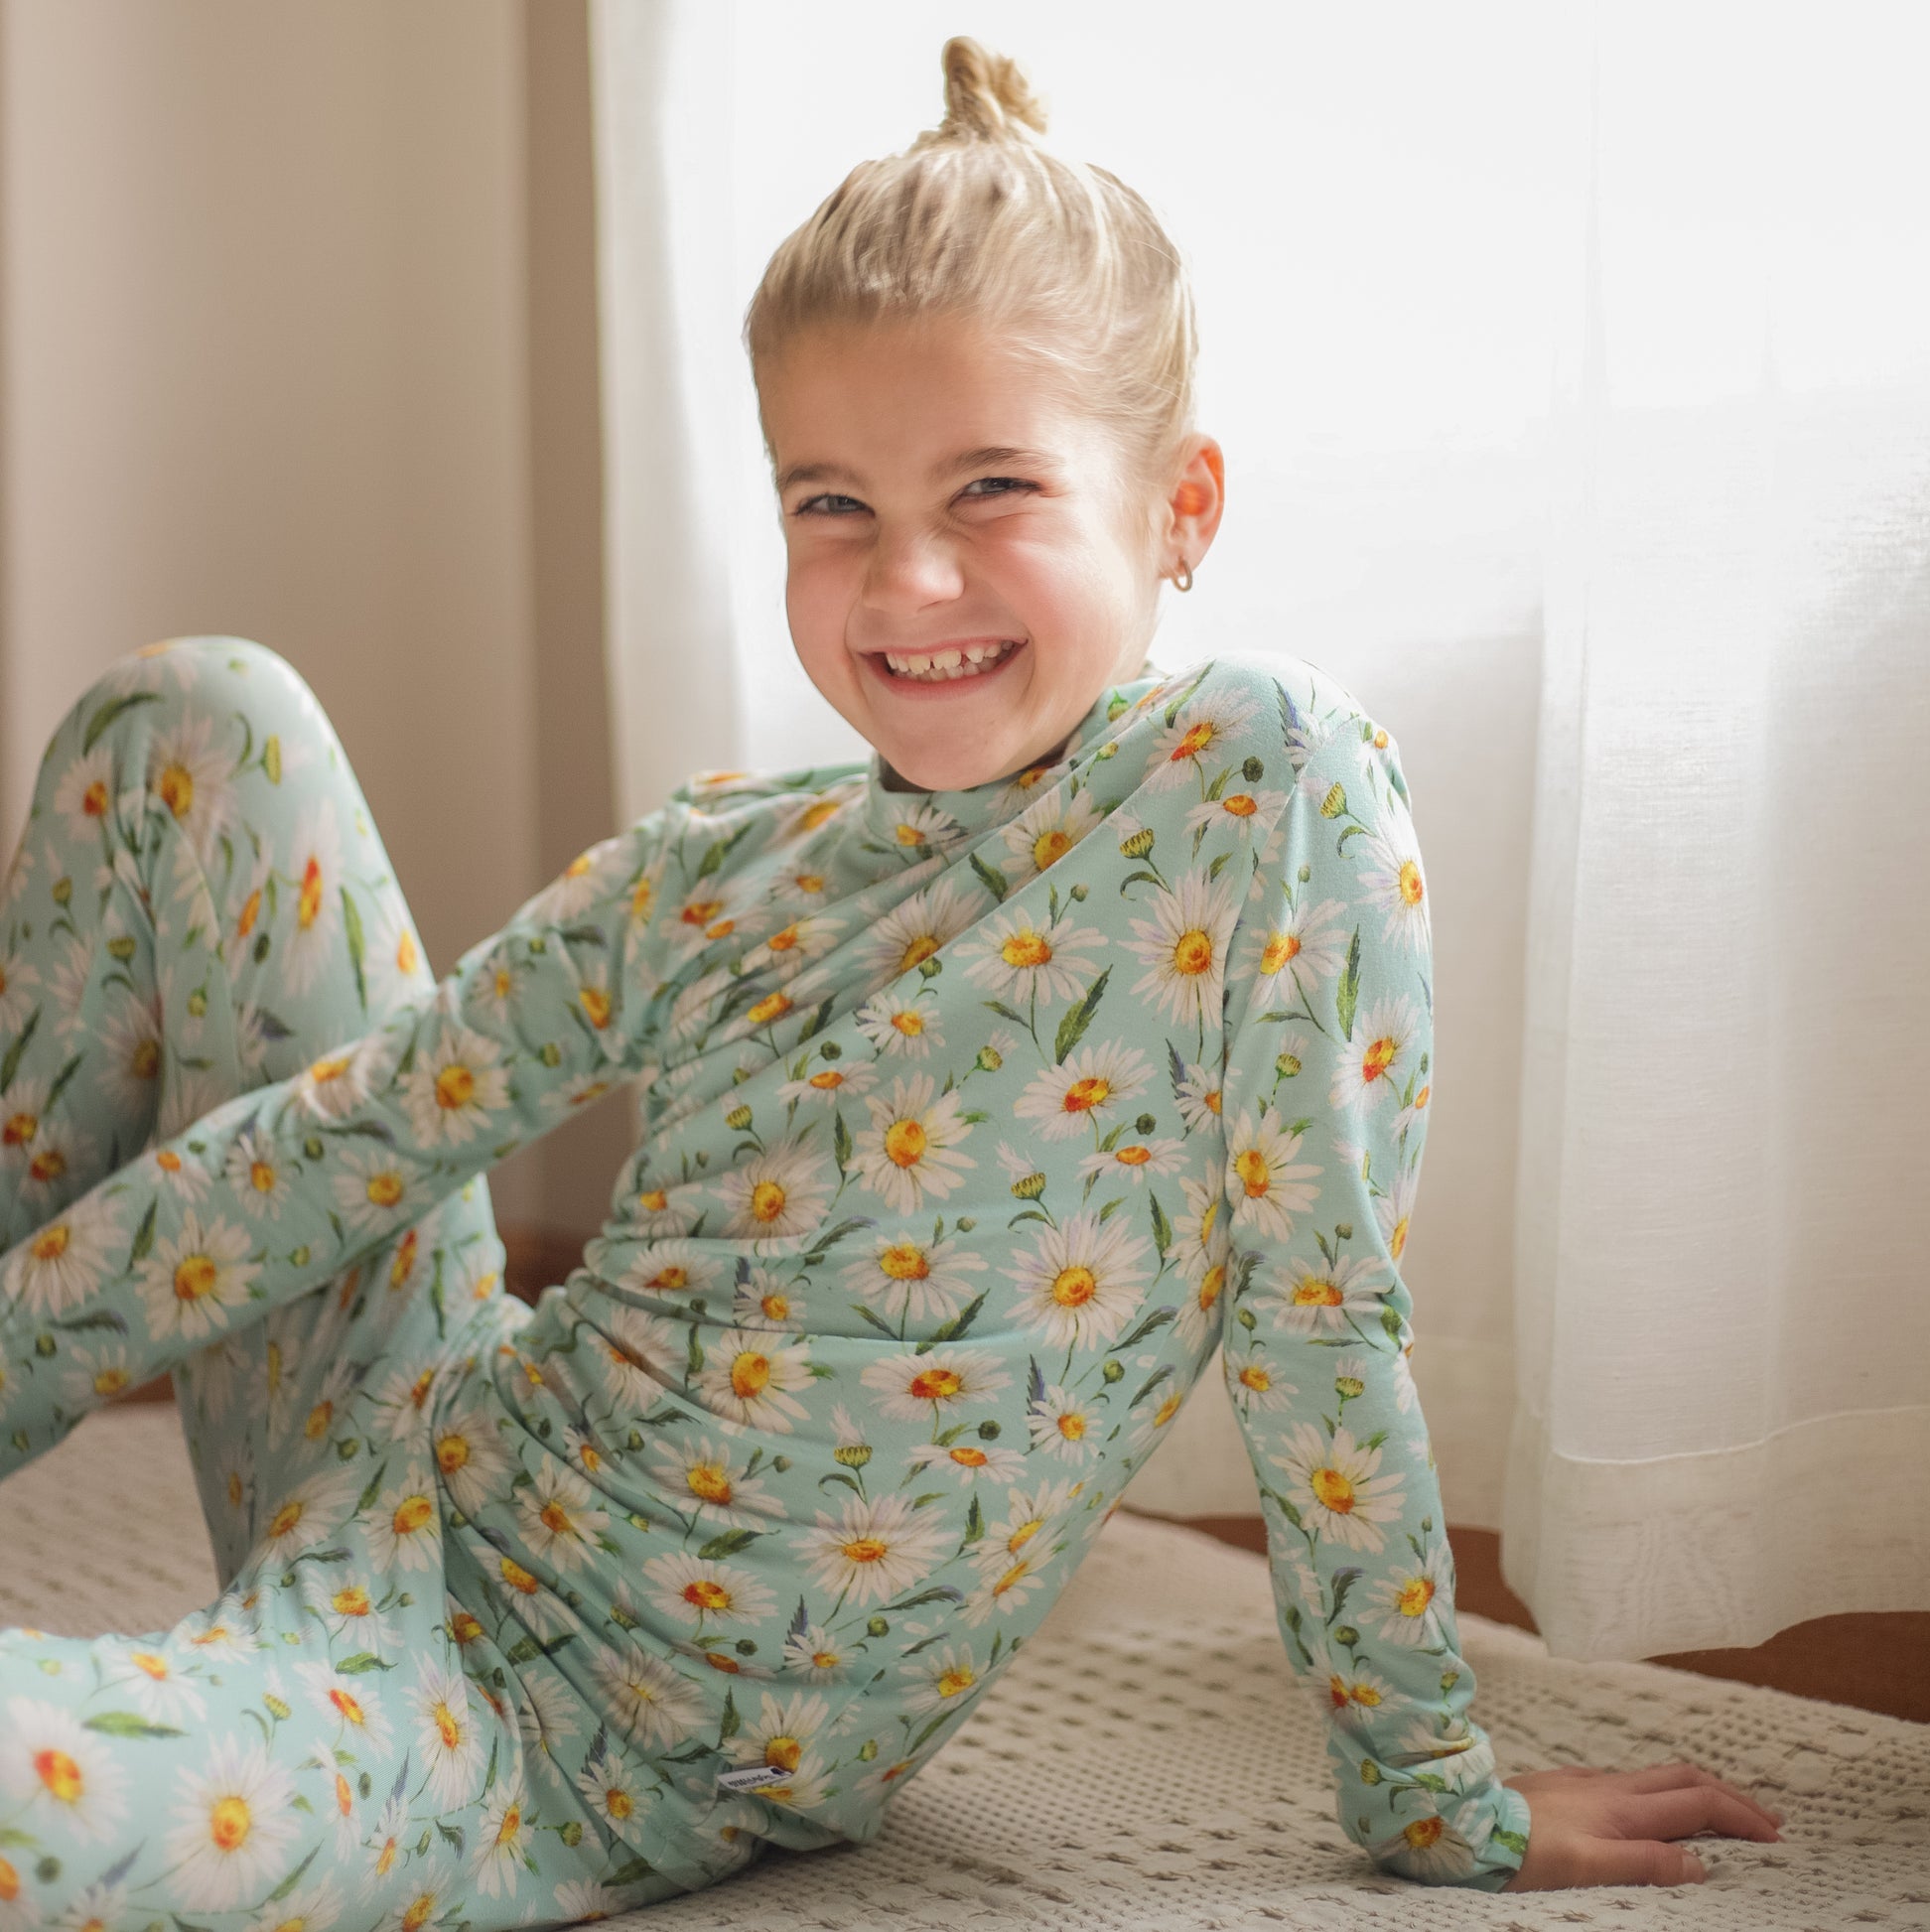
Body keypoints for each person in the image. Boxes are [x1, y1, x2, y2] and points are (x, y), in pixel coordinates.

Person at [0, 36, 1783, 1929]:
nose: (902, 580)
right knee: (201, 710)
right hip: (411, 1458)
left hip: (544, 1732)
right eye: (828, 502)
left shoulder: (1259, 790)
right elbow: (335, 1148)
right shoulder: (713, 868)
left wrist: (1429, 1780)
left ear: (1181, 506)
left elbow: (1318, 1315)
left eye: (991, 487)